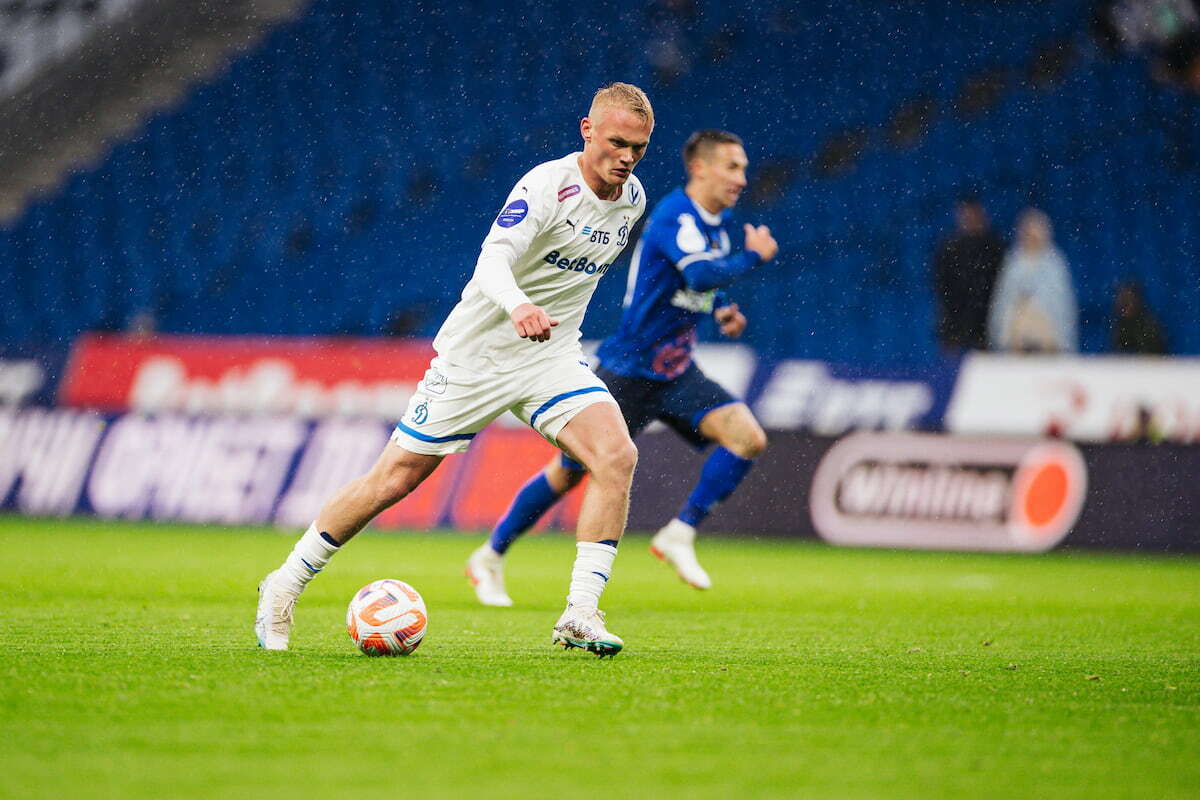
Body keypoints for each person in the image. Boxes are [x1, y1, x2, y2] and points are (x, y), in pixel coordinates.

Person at [255, 83, 655, 658]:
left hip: (549, 356)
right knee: (393, 479)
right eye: (617, 142)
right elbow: (492, 259)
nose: (627, 157)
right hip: (479, 357)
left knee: (617, 456)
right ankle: (284, 584)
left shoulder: (632, 199)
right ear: (587, 130)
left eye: (638, 148)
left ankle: (580, 612)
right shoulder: (547, 186)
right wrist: (518, 305)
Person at [465, 129, 778, 606]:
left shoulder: (717, 224)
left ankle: (679, 533)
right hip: (629, 369)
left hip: (676, 371)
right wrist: (753, 256)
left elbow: (692, 284)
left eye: (744, 169)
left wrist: (721, 309)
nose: (742, 178)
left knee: (747, 437)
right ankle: (489, 555)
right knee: (568, 473)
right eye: (733, 167)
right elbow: (697, 273)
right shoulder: (675, 214)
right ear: (700, 168)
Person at [988, 209, 1078, 353]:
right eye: (1027, 233)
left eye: (1035, 234)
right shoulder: (1013, 261)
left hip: (1047, 336)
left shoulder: (1055, 263)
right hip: (1017, 337)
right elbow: (1004, 298)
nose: (1031, 237)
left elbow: (1061, 303)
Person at [931, 195, 1005, 352]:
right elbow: (941, 285)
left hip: (985, 323)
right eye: (966, 214)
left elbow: (1002, 285)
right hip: (954, 323)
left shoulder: (995, 247)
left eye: (973, 214)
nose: (970, 219)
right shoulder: (949, 247)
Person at [1112, 280, 1168, 354]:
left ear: (1137, 301)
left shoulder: (1149, 325)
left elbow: (1155, 353)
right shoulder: (1116, 325)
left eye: (1128, 301)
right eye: (1122, 300)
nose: (1124, 306)